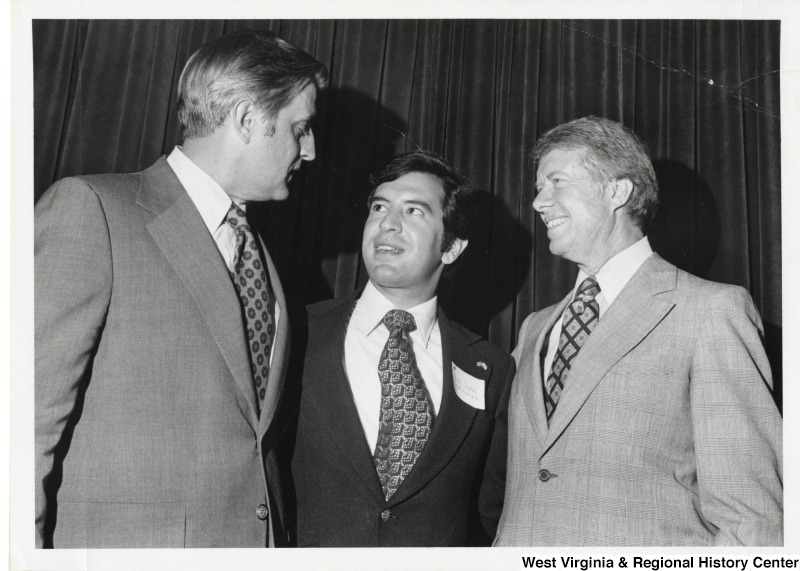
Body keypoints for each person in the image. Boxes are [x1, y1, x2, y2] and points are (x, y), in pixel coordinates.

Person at [34, 30, 328, 548]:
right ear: (245, 118)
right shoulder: (93, 211)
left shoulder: (261, 254)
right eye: (299, 129)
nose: (310, 150)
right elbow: (18, 427)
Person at [495, 116, 783, 546]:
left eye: (556, 182)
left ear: (617, 191)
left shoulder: (710, 310)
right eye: (539, 187)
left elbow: (751, 517)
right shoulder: (535, 327)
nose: (539, 202)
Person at [289, 150, 514, 546]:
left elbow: (491, 517)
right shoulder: (297, 333)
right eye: (379, 207)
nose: (387, 224)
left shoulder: (491, 370)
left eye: (414, 211)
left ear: (452, 247)